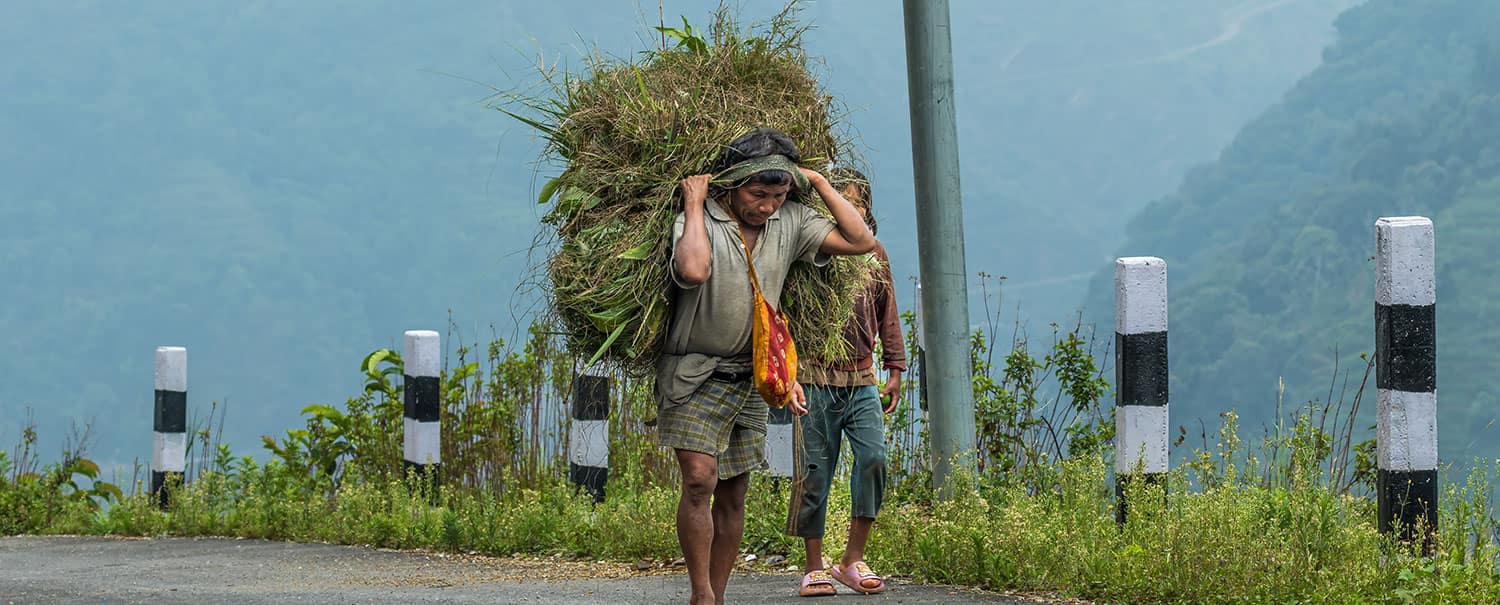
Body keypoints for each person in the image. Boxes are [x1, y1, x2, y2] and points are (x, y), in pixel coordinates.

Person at [659, 127, 876, 605]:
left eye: (777, 196)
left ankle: (718, 594)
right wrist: (693, 203)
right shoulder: (701, 219)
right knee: (699, 479)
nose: (767, 206)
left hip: (753, 377)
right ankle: (701, 595)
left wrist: (819, 183)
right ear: (732, 184)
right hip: (692, 374)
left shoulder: (792, 221)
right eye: (758, 194)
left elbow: (860, 241)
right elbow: (693, 270)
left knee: (733, 491)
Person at [787, 167, 904, 597]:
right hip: (814, 375)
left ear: (866, 210)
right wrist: (787, 372)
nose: (850, 210)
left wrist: (895, 368)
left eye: (857, 203)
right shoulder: (811, 251)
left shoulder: (874, 254)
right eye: (842, 202)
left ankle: (852, 559)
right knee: (815, 470)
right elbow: (786, 311)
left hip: (862, 377)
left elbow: (887, 313)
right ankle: (813, 566)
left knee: (873, 458)